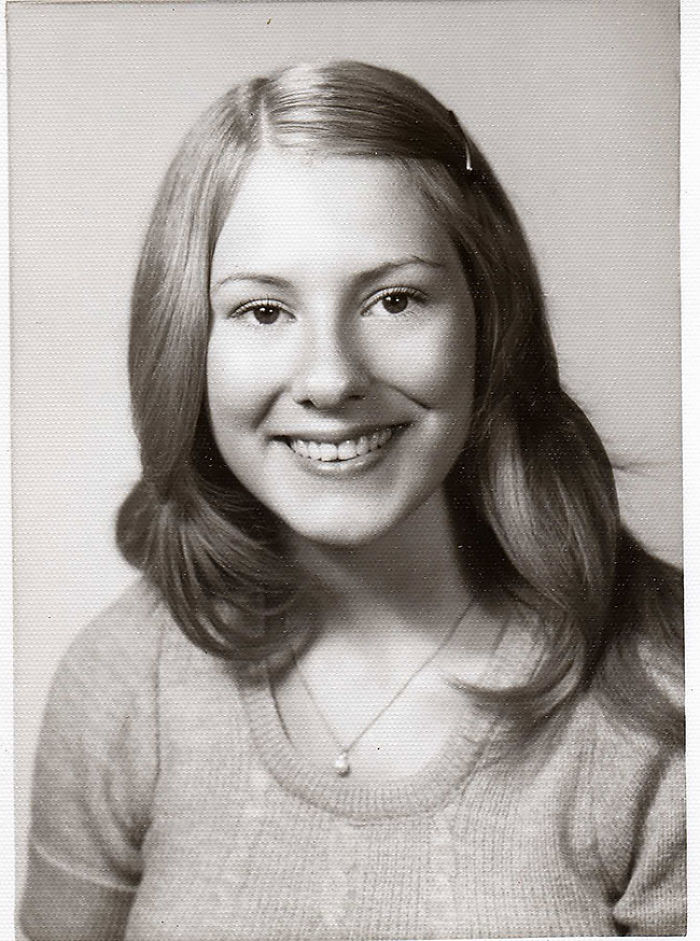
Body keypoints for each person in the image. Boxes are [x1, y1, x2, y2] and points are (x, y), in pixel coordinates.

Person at [20, 60, 684, 940]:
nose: (331, 378)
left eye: (395, 298)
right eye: (263, 311)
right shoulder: (121, 681)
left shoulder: (667, 693)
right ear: (188, 341)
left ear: (490, 317)